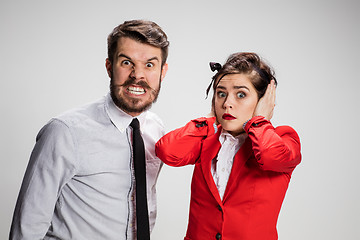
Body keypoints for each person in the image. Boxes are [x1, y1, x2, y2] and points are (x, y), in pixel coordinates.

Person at [10, 19, 169, 240]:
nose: (137, 75)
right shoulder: (64, 132)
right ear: (109, 67)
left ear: (163, 72)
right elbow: (27, 227)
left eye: (149, 65)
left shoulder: (155, 128)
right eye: (126, 63)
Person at [155, 52, 301, 240]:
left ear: (263, 100)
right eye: (221, 94)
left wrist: (259, 121)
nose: (227, 104)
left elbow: (270, 156)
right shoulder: (205, 137)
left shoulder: (284, 137)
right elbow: (167, 151)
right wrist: (210, 119)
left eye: (241, 94)